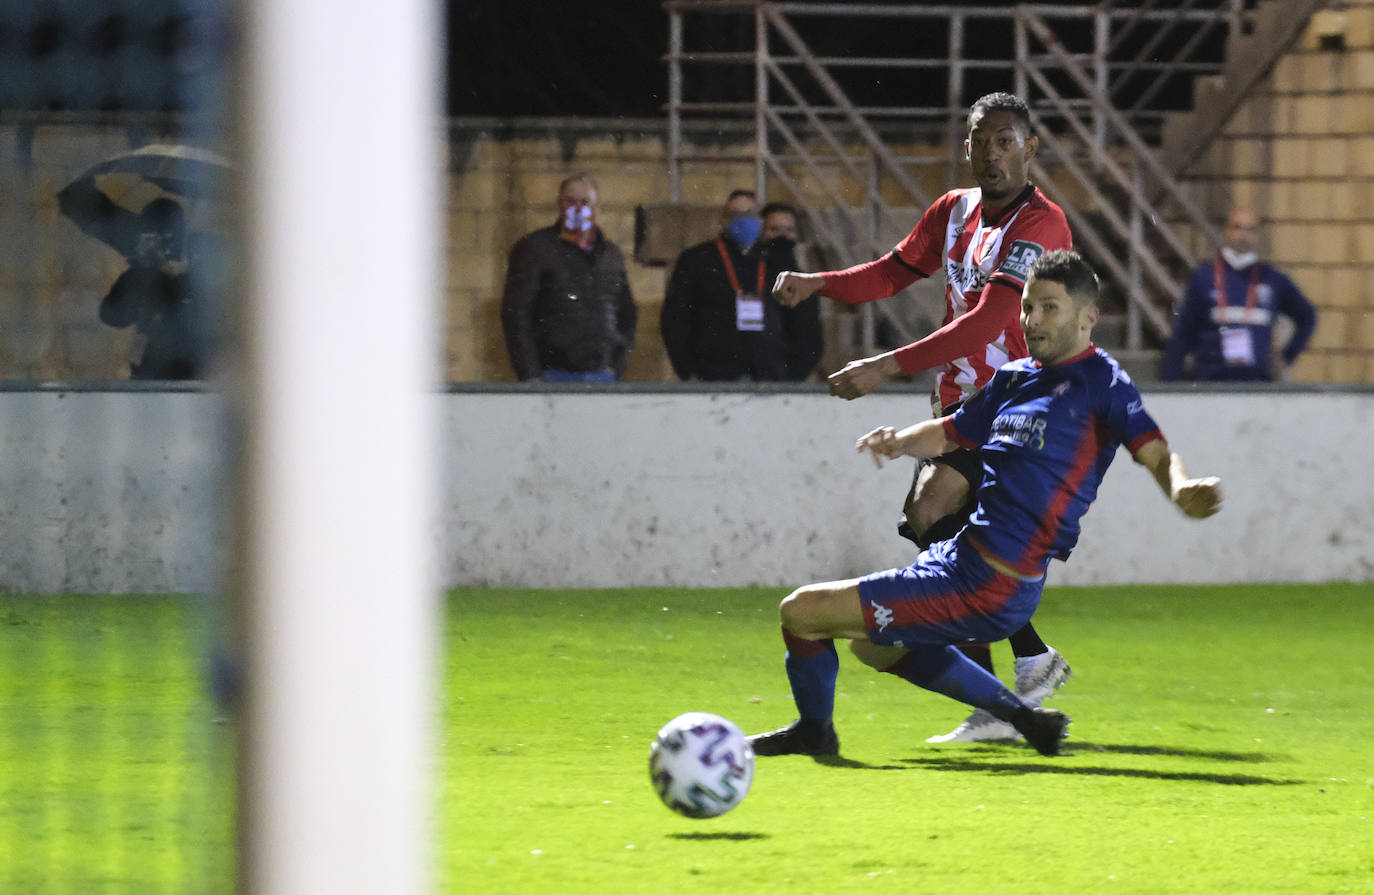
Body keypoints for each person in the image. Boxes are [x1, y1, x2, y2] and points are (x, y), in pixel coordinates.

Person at [747, 250, 1223, 759]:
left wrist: (1181, 489)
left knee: (800, 612)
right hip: (964, 559)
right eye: (1026, 307)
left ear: (1089, 318)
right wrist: (900, 440)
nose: (1032, 320)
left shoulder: (1103, 384)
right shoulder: (1015, 377)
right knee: (872, 646)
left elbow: (1156, 454)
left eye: (1049, 308)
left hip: (991, 582)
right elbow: (952, 433)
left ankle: (814, 731)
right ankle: (1024, 719)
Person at [772, 92, 1074, 742]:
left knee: (932, 512)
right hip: (961, 403)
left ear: (1030, 148)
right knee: (943, 526)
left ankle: (1019, 673)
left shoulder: (1041, 226)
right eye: (981, 140)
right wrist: (820, 281)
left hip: (1020, 404)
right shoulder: (954, 210)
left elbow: (992, 320)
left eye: (1006, 141)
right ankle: (1022, 669)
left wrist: (885, 364)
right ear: (964, 146)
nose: (993, 153)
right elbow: (892, 272)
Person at [661, 193, 822, 381]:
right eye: (735, 215)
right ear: (723, 220)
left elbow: (805, 323)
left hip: (771, 376)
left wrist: (793, 374)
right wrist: (689, 371)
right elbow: (676, 320)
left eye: (749, 215)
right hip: (713, 374)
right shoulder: (697, 260)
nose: (743, 221)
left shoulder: (779, 262)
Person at [58, 180, 208, 380]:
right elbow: (112, 316)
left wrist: (180, 278)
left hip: (195, 375)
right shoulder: (143, 272)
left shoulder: (198, 264)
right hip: (149, 375)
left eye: (167, 240)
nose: (163, 248)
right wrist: (143, 269)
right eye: (153, 239)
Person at [501, 173, 637, 382]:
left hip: (601, 374)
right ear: (560, 204)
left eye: (585, 202)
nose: (578, 208)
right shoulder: (536, 249)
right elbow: (517, 314)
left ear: (596, 207)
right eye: (571, 201)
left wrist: (617, 366)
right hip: (552, 372)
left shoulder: (610, 254)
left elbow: (627, 313)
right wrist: (530, 374)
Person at [1162, 206, 1316, 382]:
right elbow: (1182, 333)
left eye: (1250, 230)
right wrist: (1171, 381)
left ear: (1258, 236)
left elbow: (1308, 316)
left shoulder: (1273, 280)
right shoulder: (1204, 277)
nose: (1243, 235)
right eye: (1237, 228)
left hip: (1256, 384)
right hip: (1210, 383)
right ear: (1225, 232)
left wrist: (1287, 357)